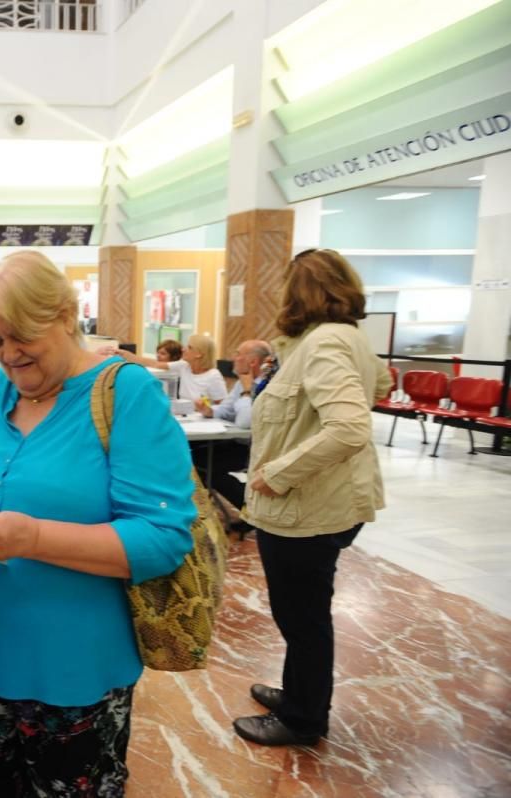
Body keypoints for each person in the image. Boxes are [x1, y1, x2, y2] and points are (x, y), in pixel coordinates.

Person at [0, 251, 195, 796]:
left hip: (71, 663)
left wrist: (30, 538)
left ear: (64, 316)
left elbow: (162, 537)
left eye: (20, 337)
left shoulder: (124, 393)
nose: (9, 355)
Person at [233, 248, 392, 748]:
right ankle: (298, 693)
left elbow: (348, 427)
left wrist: (278, 472)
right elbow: (379, 385)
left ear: (297, 294)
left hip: (307, 507)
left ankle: (304, 719)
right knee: (301, 612)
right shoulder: (345, 339)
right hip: (327, 501)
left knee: (302, 617)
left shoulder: (323, 345)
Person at [192, 339, 272, 513]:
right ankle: (248, 508)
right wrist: (209, 411)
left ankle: (250, 510)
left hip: (253, 449)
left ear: (253, 362)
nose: (233, 358)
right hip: (235, 443)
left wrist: (245, 391)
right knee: (193, 458)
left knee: (203, 466)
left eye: (238, 354)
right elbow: (226, 410)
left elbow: (244, 423)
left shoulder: (266, 385)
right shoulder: (240, 383)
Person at [103, 334, 228, 403]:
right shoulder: (183, 366)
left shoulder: (213, 376)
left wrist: (205, 410)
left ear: (199, 354)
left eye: (189, 347)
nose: (183, 349)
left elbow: (221, 406)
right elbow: (155, 364)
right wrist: (127, 355)